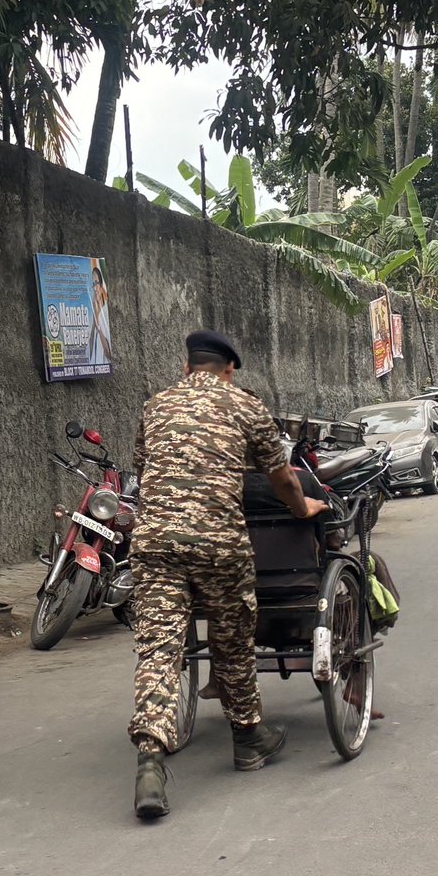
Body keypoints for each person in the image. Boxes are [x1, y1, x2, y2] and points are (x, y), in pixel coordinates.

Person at [128, 330, 328, 822]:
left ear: (187, 365)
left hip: (153, 543)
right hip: (218, 544)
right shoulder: (245, 406)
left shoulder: (156, 406)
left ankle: (151, 756)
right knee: (233, 638)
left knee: (159, 647)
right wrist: (303, 508)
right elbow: (280, 477)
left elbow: (141, 467)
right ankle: (248, 737)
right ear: (229, 369)